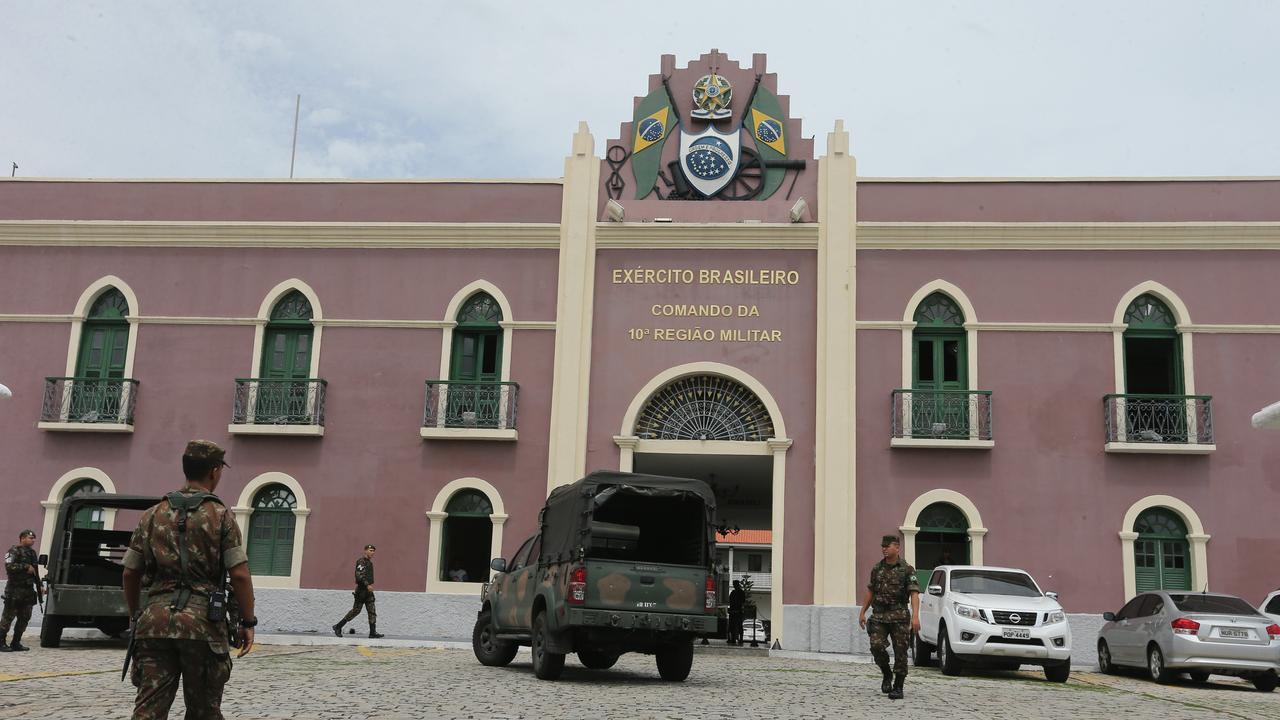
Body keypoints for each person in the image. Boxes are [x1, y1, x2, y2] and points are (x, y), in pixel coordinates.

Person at [122, 440, 257, 720]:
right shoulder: (221, 517)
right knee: (204, 710)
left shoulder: (152, 515)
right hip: (203, 626)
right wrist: (248, 621)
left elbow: (130, 572)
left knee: (148, 709)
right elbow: (240, 575)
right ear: (215, 471)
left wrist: (135, 614)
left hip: (154, 622)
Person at [858, 534, 920, 700]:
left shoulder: (907, 569)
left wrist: (915, 616)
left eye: (888, 546)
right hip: (879, 615)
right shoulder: (877, 568)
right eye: (883, 546)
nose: (884, 549)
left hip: (899, 616)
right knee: (876, 646)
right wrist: (862, 611)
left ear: (897, 548)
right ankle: (886, 673)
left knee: (901, 652)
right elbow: (871, 591)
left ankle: (898, 687)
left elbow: (914, 593)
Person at [1, 529, 42, 652]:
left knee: (24, 618)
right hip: (14, 591)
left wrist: (39, 585)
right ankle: (1, 642)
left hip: (28, 592)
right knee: (7, 618)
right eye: (30, 538)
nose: (33, 540)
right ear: (22, 538)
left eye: (34, 538)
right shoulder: (14, 551)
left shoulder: (32, 553)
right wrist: (25, 566)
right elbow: (9, 566)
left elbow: (35, 571)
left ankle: (16, 642)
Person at [333, 544, 383, 638]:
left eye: (373, 551)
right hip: (361, 590)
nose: (372, 552)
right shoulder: (361, 562)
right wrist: (367, 584)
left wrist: (369, 586)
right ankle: (338, 626)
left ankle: (372, 632)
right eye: (370, 550)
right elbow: (359, 575)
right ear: (365, 551)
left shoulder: (369, 563)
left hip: (368, 592)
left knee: (372, 611)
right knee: (355, 611)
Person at [727, 579, 745, 646]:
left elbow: (731, 601)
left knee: (734, 626)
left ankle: (734, 639)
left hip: (735, 611)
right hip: (737, 611)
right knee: (738, 625)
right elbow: (743, 601)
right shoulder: (740, 592)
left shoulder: (733, 593)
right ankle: (739, 639)